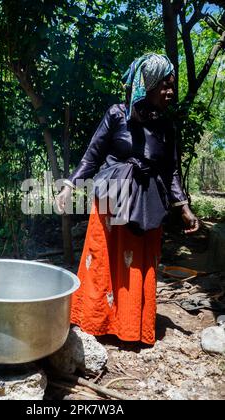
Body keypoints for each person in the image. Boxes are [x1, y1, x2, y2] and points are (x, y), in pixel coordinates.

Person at [55, 53, 199, 345]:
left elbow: (170, 170)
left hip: (146, 204)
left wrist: (183, 206)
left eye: (172, 86)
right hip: (112, 199)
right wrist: (70, 185)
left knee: (137, 265)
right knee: (104, 261)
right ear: (148, 85)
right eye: (165, 86)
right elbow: (93, 154)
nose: (171, 92)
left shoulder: (166, 126)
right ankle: (98, 322)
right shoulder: (117, 114)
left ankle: (130, 327)